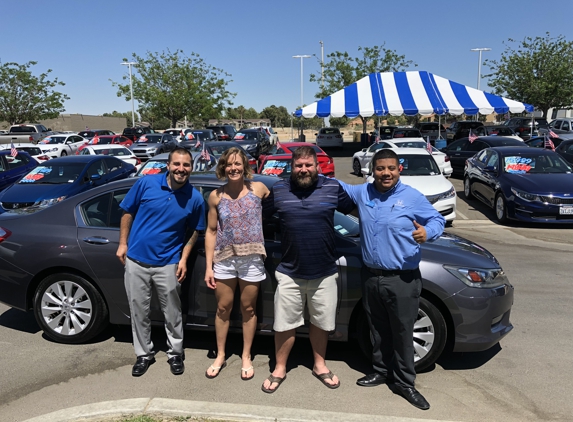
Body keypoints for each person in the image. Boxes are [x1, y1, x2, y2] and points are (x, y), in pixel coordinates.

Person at [339, 149, 445, 410]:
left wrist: (427, 233)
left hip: (402, 279)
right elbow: (335, 185)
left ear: (400, 170)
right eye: (380, 168)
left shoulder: (411, 196)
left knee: (402, 331)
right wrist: (306, 170)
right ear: (371, 170)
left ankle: (405, 382)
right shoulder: (363, 193)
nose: (385, 173)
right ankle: (381, 370)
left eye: (391, 168)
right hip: (371, 276)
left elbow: (437, 219)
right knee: (377, 329)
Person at [261, 146, 355, 393]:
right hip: (289, 271)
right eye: (299, 165)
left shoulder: (333, 188)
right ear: (292, 167)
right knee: (284, 324)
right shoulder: (279, 189)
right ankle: (280, 367)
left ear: (317, 166)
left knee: (321, 323)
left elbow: (359, 211)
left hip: (324, 271)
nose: (303, 169)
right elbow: (257, 218)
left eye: (308, 165)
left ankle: (320, 364)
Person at [117, 147, 205, 377]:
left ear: (191, 168)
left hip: (168, 262)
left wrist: (184, 258)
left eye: (186, 165)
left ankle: (175, 353)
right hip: (136, 259)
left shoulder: (194, 198)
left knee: (172, 312)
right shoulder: (146, 184)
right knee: (138, 310)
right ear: (168, 165)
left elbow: (196, 230)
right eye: (177, 164)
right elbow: (127, 212)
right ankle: (144, 354)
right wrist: (123, 243)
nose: (181, 169)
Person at [204, 147, 270, 381]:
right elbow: (211, 231)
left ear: (245, 166)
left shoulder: (259, 189)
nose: (233, 168)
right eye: (229, 164)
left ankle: (246, 355)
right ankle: (220, 355)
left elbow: (276, 211)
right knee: (223, 308)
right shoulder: (216, 196)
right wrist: (209, 266)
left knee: (248, 309)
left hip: (252, 260)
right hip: (224, 260)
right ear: (223, 167)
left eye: (238, 164)